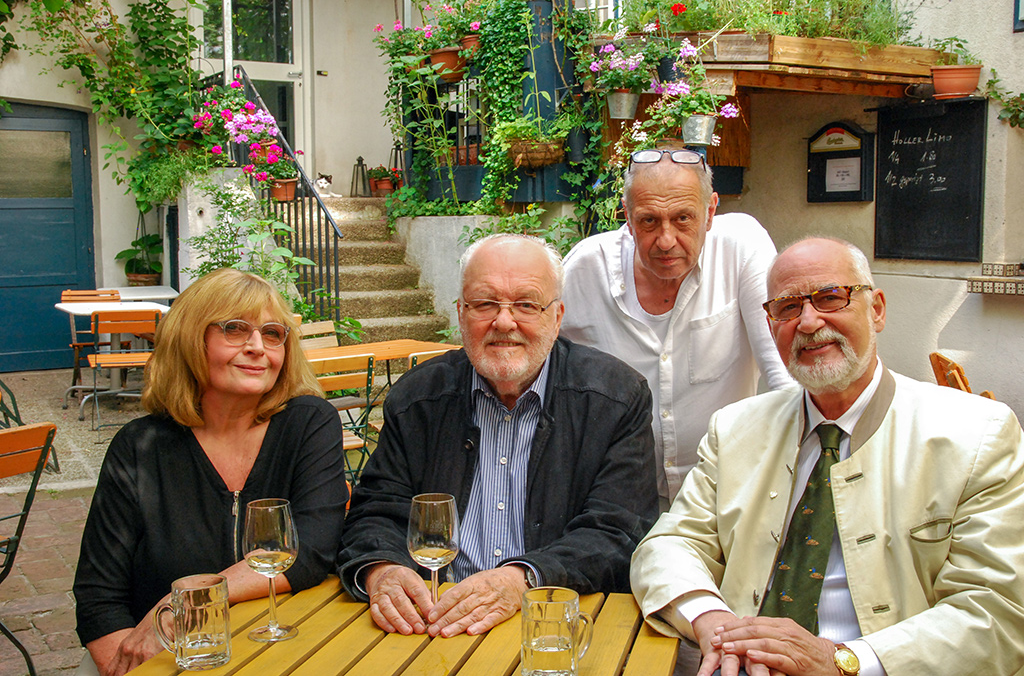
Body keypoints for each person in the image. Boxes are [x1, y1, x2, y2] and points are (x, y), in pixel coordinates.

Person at [630, 237, 1024, 676]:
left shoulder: (977, 434)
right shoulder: (735, 429)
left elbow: (998, 611)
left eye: (830, 297)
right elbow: (670, 545)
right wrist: (713, 622)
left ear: (876, 308)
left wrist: (845, 661)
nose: (809, 321)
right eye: (787, 307)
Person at [337, 233, 658, 639]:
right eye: (485, 304)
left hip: (556, 624)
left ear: (557, 317)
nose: (504, 322)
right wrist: (383, 569)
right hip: (432, 621)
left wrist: (521, 579)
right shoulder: (417, 398)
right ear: (460, 313)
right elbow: (375, 511)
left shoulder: (616, 398)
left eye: (526, 304)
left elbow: (617, 533)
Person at [73, 269, 350, 676]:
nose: (258, 347)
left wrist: (179, 604)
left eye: (273, 334)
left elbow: (309, 551)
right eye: (235, 330)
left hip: (282, 651)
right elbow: (99, 597)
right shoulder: (139, 446)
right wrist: (126, 665)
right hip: (164, 655)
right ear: (189, 339)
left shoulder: (307, 424)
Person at [561, 147, 792, 509]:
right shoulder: (587, 269)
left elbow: (785, 373)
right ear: (626, 215)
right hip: (619, 500)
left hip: (727, 494)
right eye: (649, 221)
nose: (666, 241)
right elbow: (547, 377)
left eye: (683, 218)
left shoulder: (741, 249)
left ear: (711, 211)